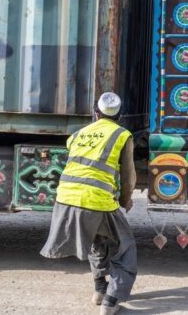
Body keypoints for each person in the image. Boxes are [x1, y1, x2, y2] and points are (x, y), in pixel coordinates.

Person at [40, 92, 137, 315]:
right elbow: (128, 175)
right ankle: (111, 301)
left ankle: (100, 288)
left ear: (96, 113)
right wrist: (125, 200)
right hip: (97, 200)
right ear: (119, 116)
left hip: (65, 199)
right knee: (125, 246)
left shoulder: (77, 134)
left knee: (96, 239)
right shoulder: (122, 135)